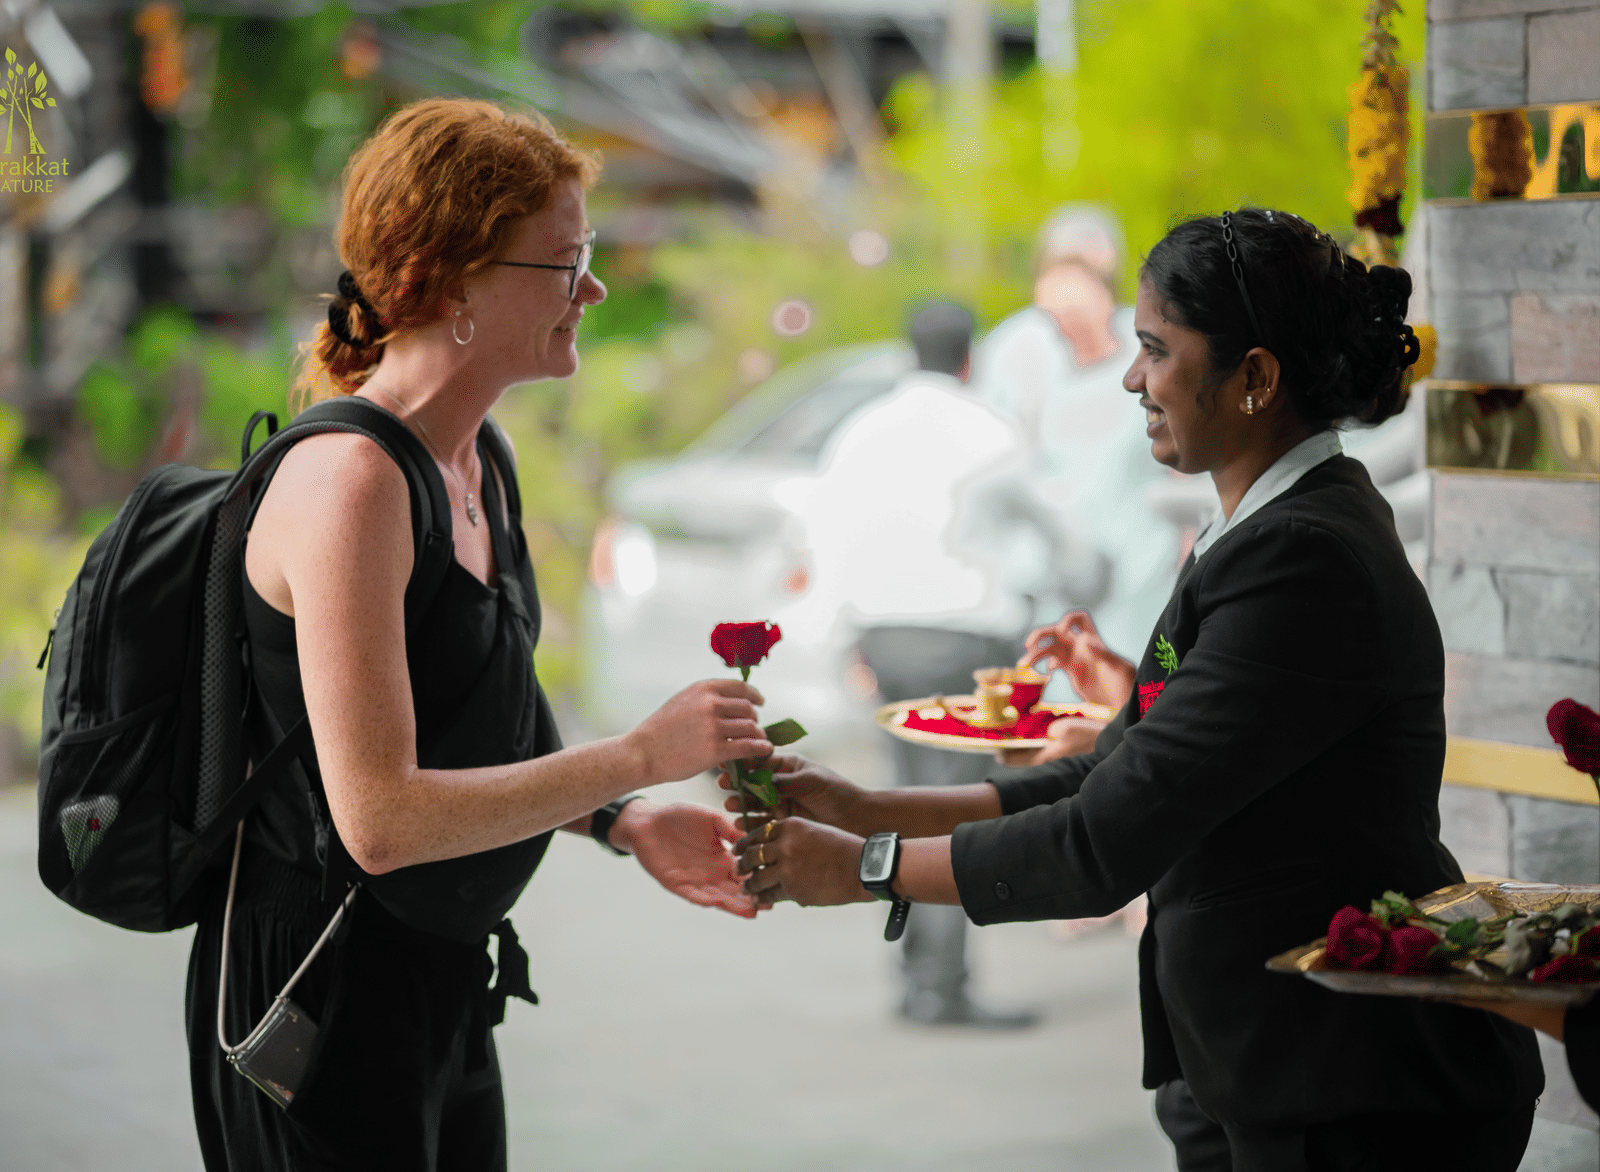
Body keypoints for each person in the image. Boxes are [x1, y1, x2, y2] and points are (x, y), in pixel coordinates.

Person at [728, 209, 1546, 1169]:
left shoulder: (1301, 558)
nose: (1131, 380)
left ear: (1255, 378)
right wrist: (866, 805)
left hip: (1353, 1082)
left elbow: (1102, 841)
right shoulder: (1257, 532)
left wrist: (866, 867)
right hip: (1265, 1062)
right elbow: (1112, 770)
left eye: (1156, 350)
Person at [187, 98, 774, 1171]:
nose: (592, 289)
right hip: (318, 992)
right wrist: (638, 754)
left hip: (443, 970)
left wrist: (623, 817)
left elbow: (488, 701)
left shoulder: (477, 456)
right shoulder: (352, 484)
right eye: (566, 262)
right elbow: (381, 820)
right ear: (450, 284)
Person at [798, 302, 1088, 1028]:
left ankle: (914, 976)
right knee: (955, 815)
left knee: (895, 806)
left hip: (885, 639)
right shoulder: (989, 431)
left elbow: (826, 532)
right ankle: (941, 987)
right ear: (969, 359)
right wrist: (1083, 581)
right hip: (965, 640)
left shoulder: (862, 430)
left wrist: (844, 637)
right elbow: (1056, 526)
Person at [973, 204, 1185, 667]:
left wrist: (1190, 544)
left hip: (1142, 564)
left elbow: (1186, 456)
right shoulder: (1016, 350)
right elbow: (995, 465)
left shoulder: (1149, 346)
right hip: (1052, 576)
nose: (1069, 328)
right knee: (1061, 686)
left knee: (1141, 684)